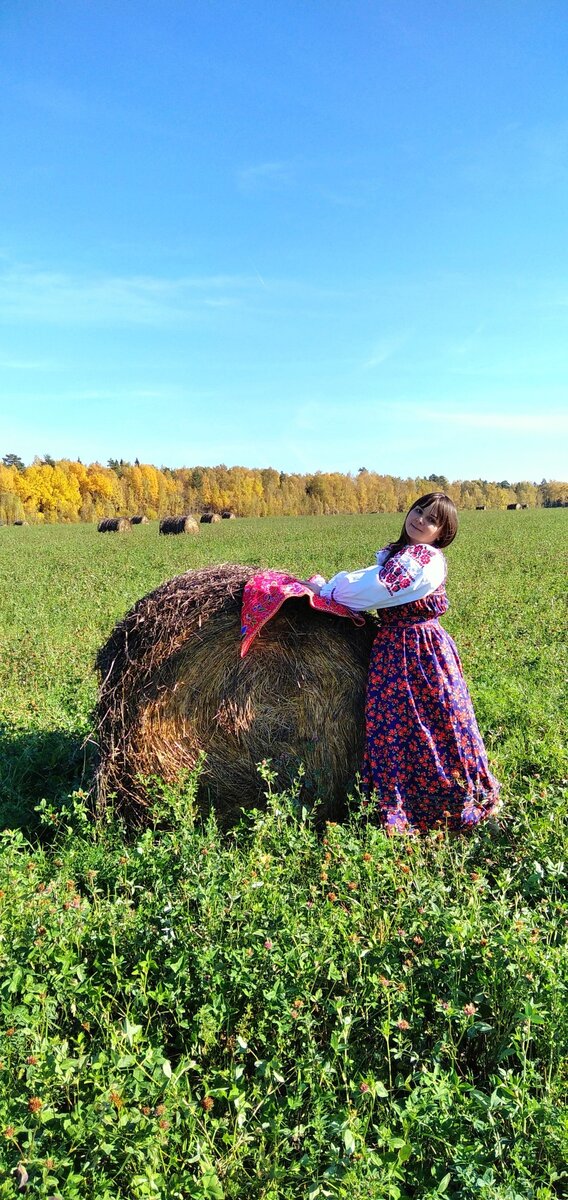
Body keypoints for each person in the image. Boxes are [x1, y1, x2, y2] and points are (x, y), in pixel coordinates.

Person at [305, 493, 500, 834]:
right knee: (399, 728)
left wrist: (328, 590)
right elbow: (373, 577)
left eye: (432, 519)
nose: (421, 519)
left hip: (419, 652)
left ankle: (454, 802)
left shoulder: (423, 558)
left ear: (442, 532)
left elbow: (375, 588)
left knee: (435, 724)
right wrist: (329, 587)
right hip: (396, 649)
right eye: (419, 510)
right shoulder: (402, 554)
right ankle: (407, 801)